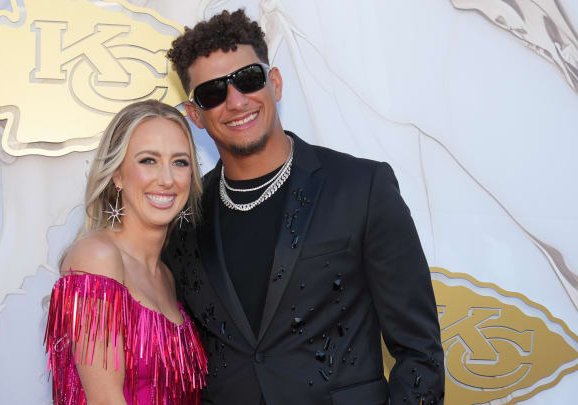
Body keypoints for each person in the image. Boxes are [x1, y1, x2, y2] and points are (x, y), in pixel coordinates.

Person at [164, 10, 445, 405]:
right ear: (195, 114)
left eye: (248, 79)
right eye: (213, 92)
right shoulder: (185, 219)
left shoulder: (362, 187)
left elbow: (420, 353)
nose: (235, 100)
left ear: (274, 83)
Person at [44, 100, 208, 405]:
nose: (167, 179)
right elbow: (104, 400)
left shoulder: (167, 276)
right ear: (117, 175)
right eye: (148, 160)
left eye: (180, 162)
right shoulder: (98, 258)